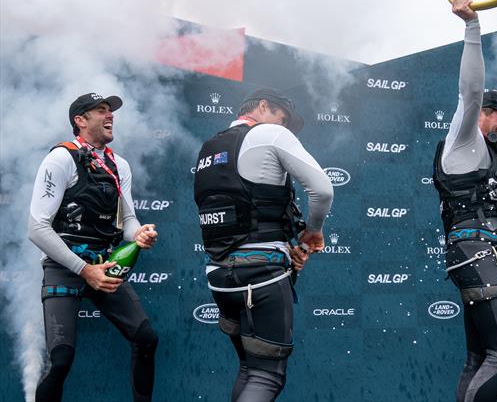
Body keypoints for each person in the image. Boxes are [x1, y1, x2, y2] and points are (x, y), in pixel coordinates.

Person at [193, 88, 333, 402]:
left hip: (220, 277)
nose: (284, 128)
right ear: (263, 107)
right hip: (261, 274)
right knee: (268, 377)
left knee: (249, 369)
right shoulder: (269, 134)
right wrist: (313, 231)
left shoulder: (210, 146)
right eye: (282, 119)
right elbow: (322, 191)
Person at [432, 0, 497, 402]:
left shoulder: (488, 157)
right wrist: (472, 26)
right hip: (476, 250)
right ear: (480, 113)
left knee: (480, 357)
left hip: (481, 252)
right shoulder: (464, 138)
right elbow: (470, 90)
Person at [28, 92, 159, 402]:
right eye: (100, 110)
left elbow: (127, 220)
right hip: (66, 267)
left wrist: (139, 234)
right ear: (80, 120)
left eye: (110, 110)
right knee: (60, 362)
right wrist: (84, 270)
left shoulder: (118, 164)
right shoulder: (61, 158)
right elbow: (36, 228)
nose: (109, 114)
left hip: (106, 265)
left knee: (147, 339)